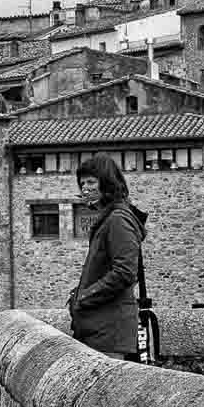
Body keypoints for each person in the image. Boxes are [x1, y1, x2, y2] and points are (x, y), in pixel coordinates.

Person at [68, 154, 148, 360]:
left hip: (109, 333)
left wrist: (85, 296)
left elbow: (124, 273)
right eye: (82, 183)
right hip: (100, 330)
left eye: (91, 182)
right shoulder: (110, 218)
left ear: (107, 183)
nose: (85, 188)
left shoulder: (118, 220)